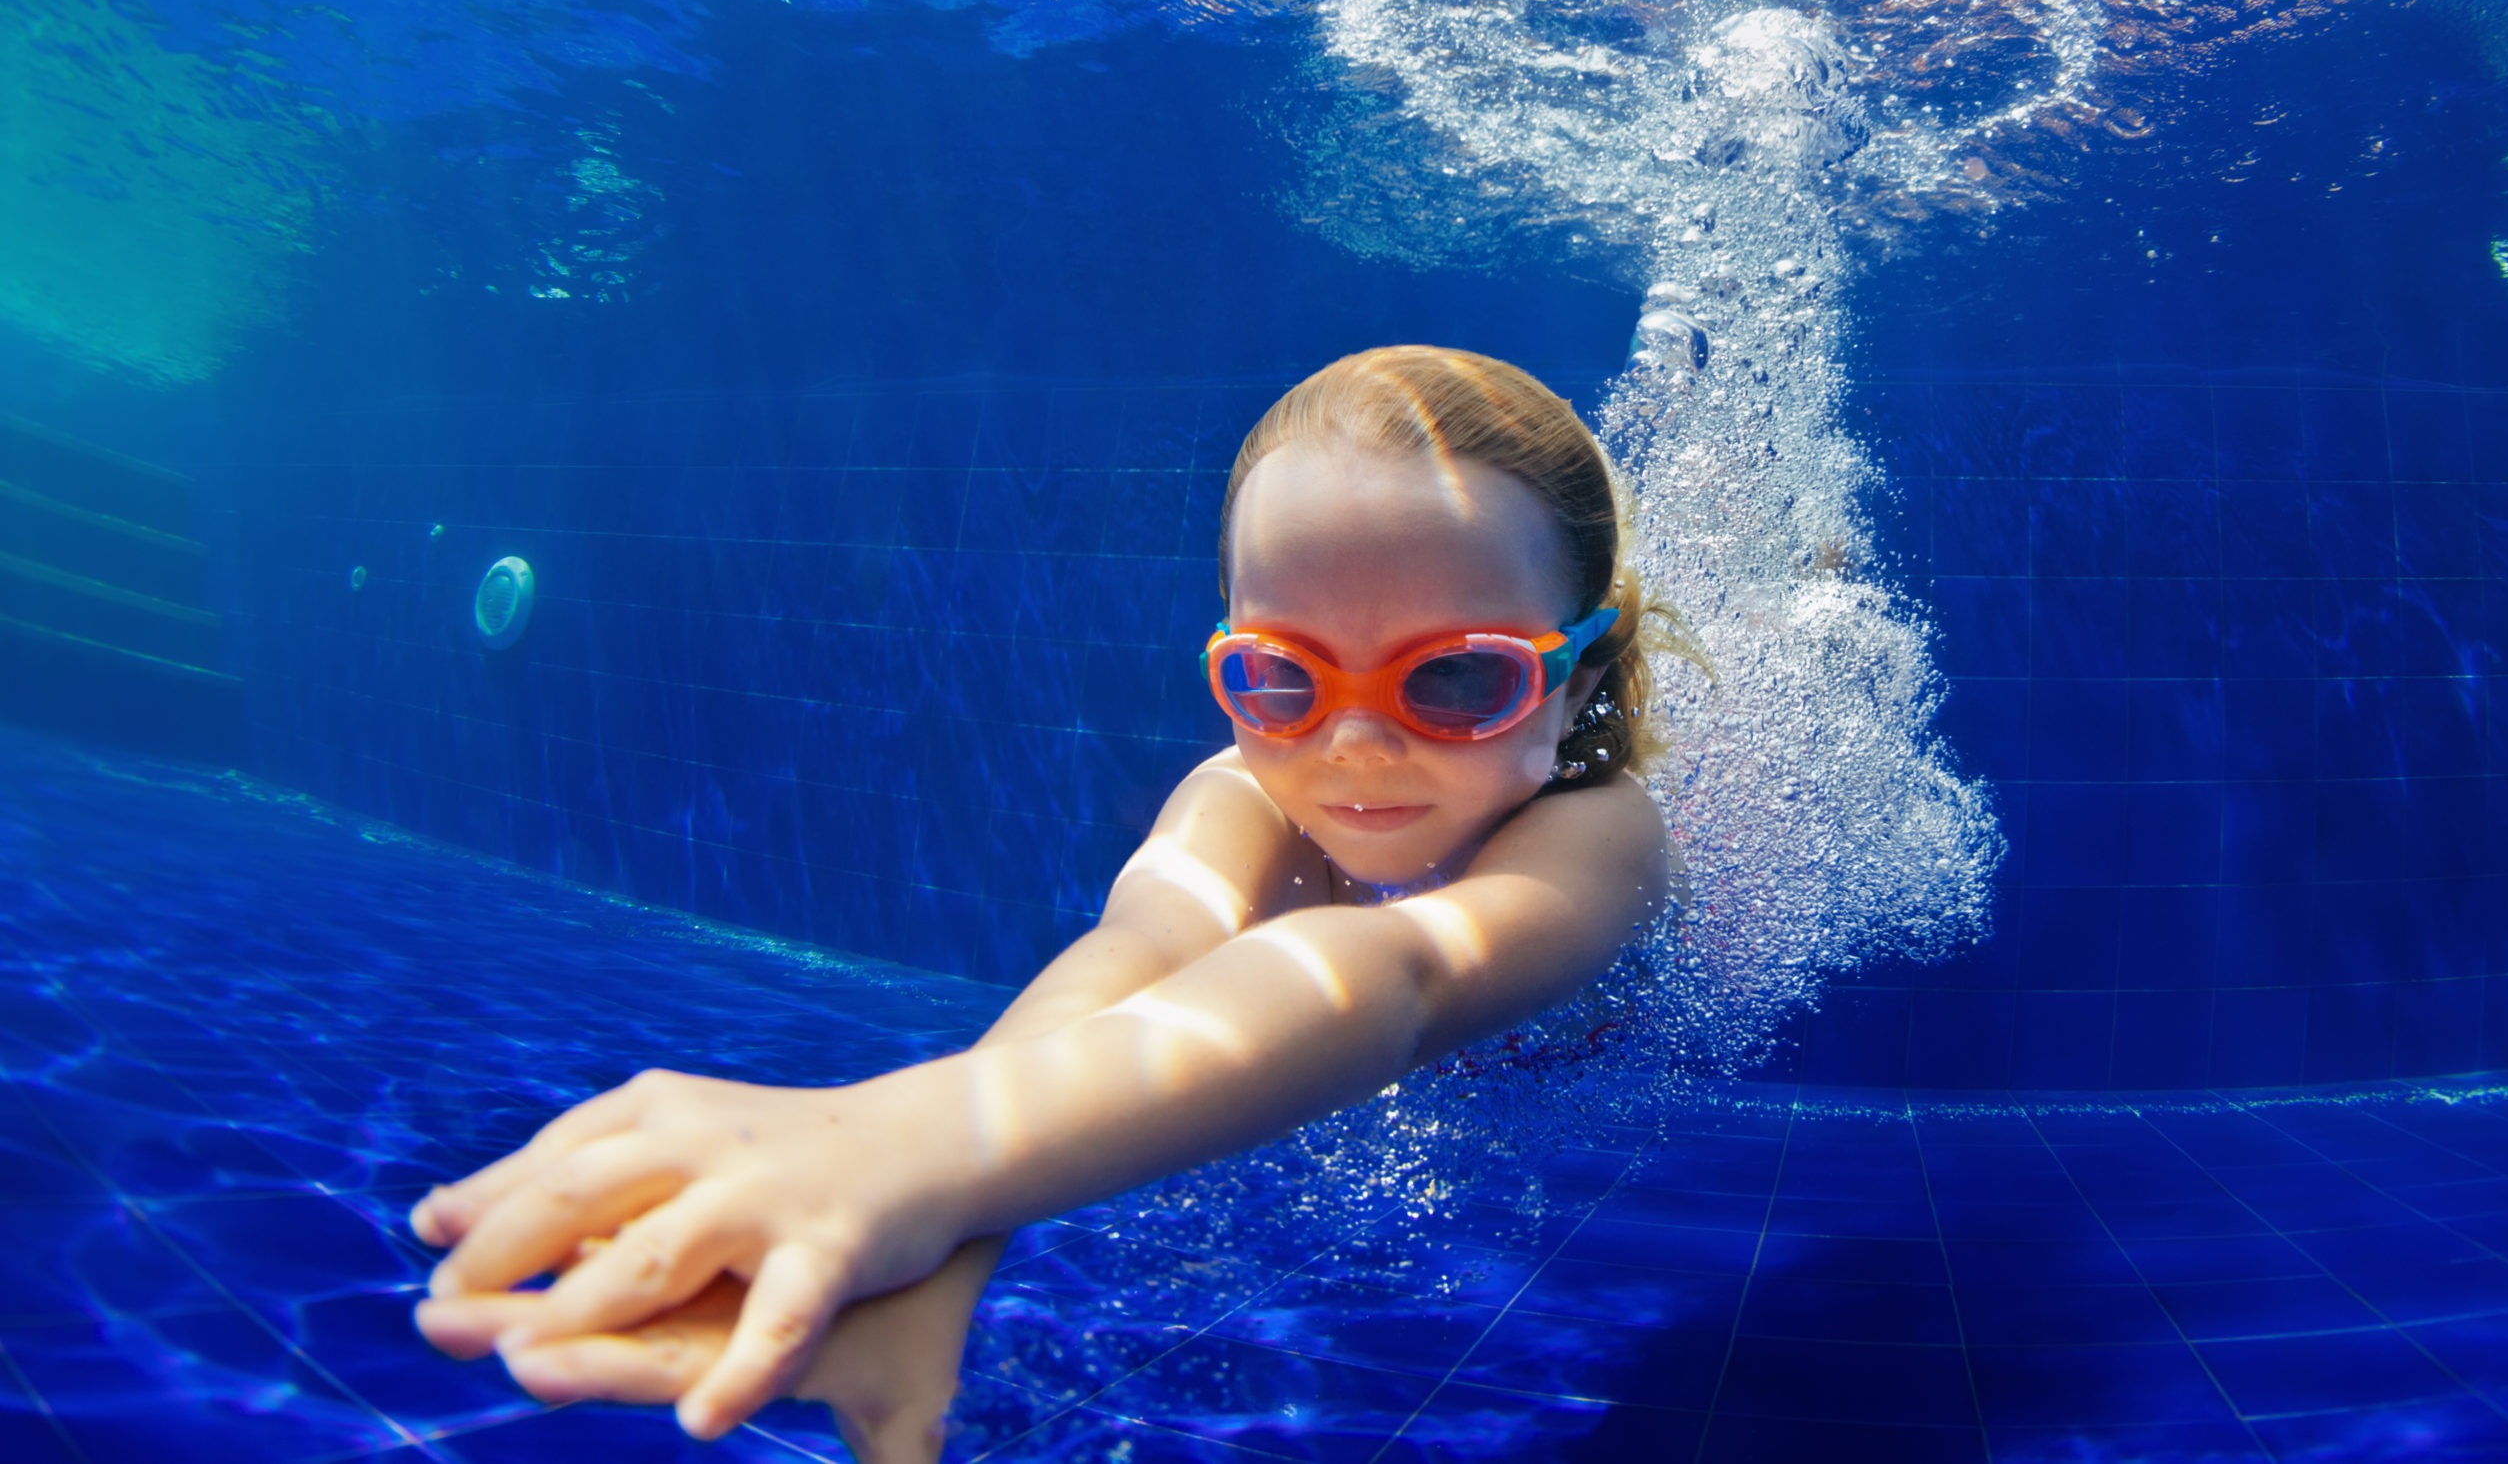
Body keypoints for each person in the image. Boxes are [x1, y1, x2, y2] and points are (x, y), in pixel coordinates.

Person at [410, 346, 1679, 1461]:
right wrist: (927, 1204)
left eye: (1454, 679)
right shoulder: (1242, 797)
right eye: (1282, 679)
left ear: (1572, 679)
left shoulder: (1601, 833)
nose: (1351, 747)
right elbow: (1137, 952)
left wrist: (930, 1151)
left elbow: (1397, 974)